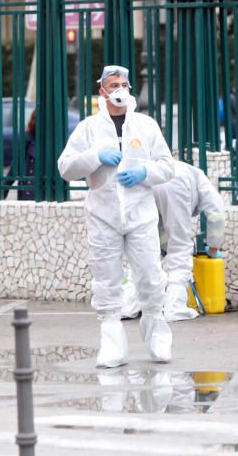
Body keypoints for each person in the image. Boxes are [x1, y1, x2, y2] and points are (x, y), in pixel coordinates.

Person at [58, 64, 175, 368]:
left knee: (150, 277)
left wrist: (144, 172)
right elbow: (66, 167)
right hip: (103, 217)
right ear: (102, 91)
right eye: (113, 85)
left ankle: (157, 338)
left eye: (124, 84)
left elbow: (167, 166)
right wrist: (94, 156)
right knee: (107, 282)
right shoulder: (88, 128)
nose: (120, 89)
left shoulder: (146, 126)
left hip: (141, 216)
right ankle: (112, 346)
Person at [122, 159, 227, 321]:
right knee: (180, 247)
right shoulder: (197, 176)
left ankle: (128, 306)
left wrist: (164, 248)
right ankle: (175, 307)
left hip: (146, 181)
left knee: (141, 247)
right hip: (173, 183)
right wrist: (213, 248)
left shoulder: (181, 169)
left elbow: (161, 230)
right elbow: (217, 212)